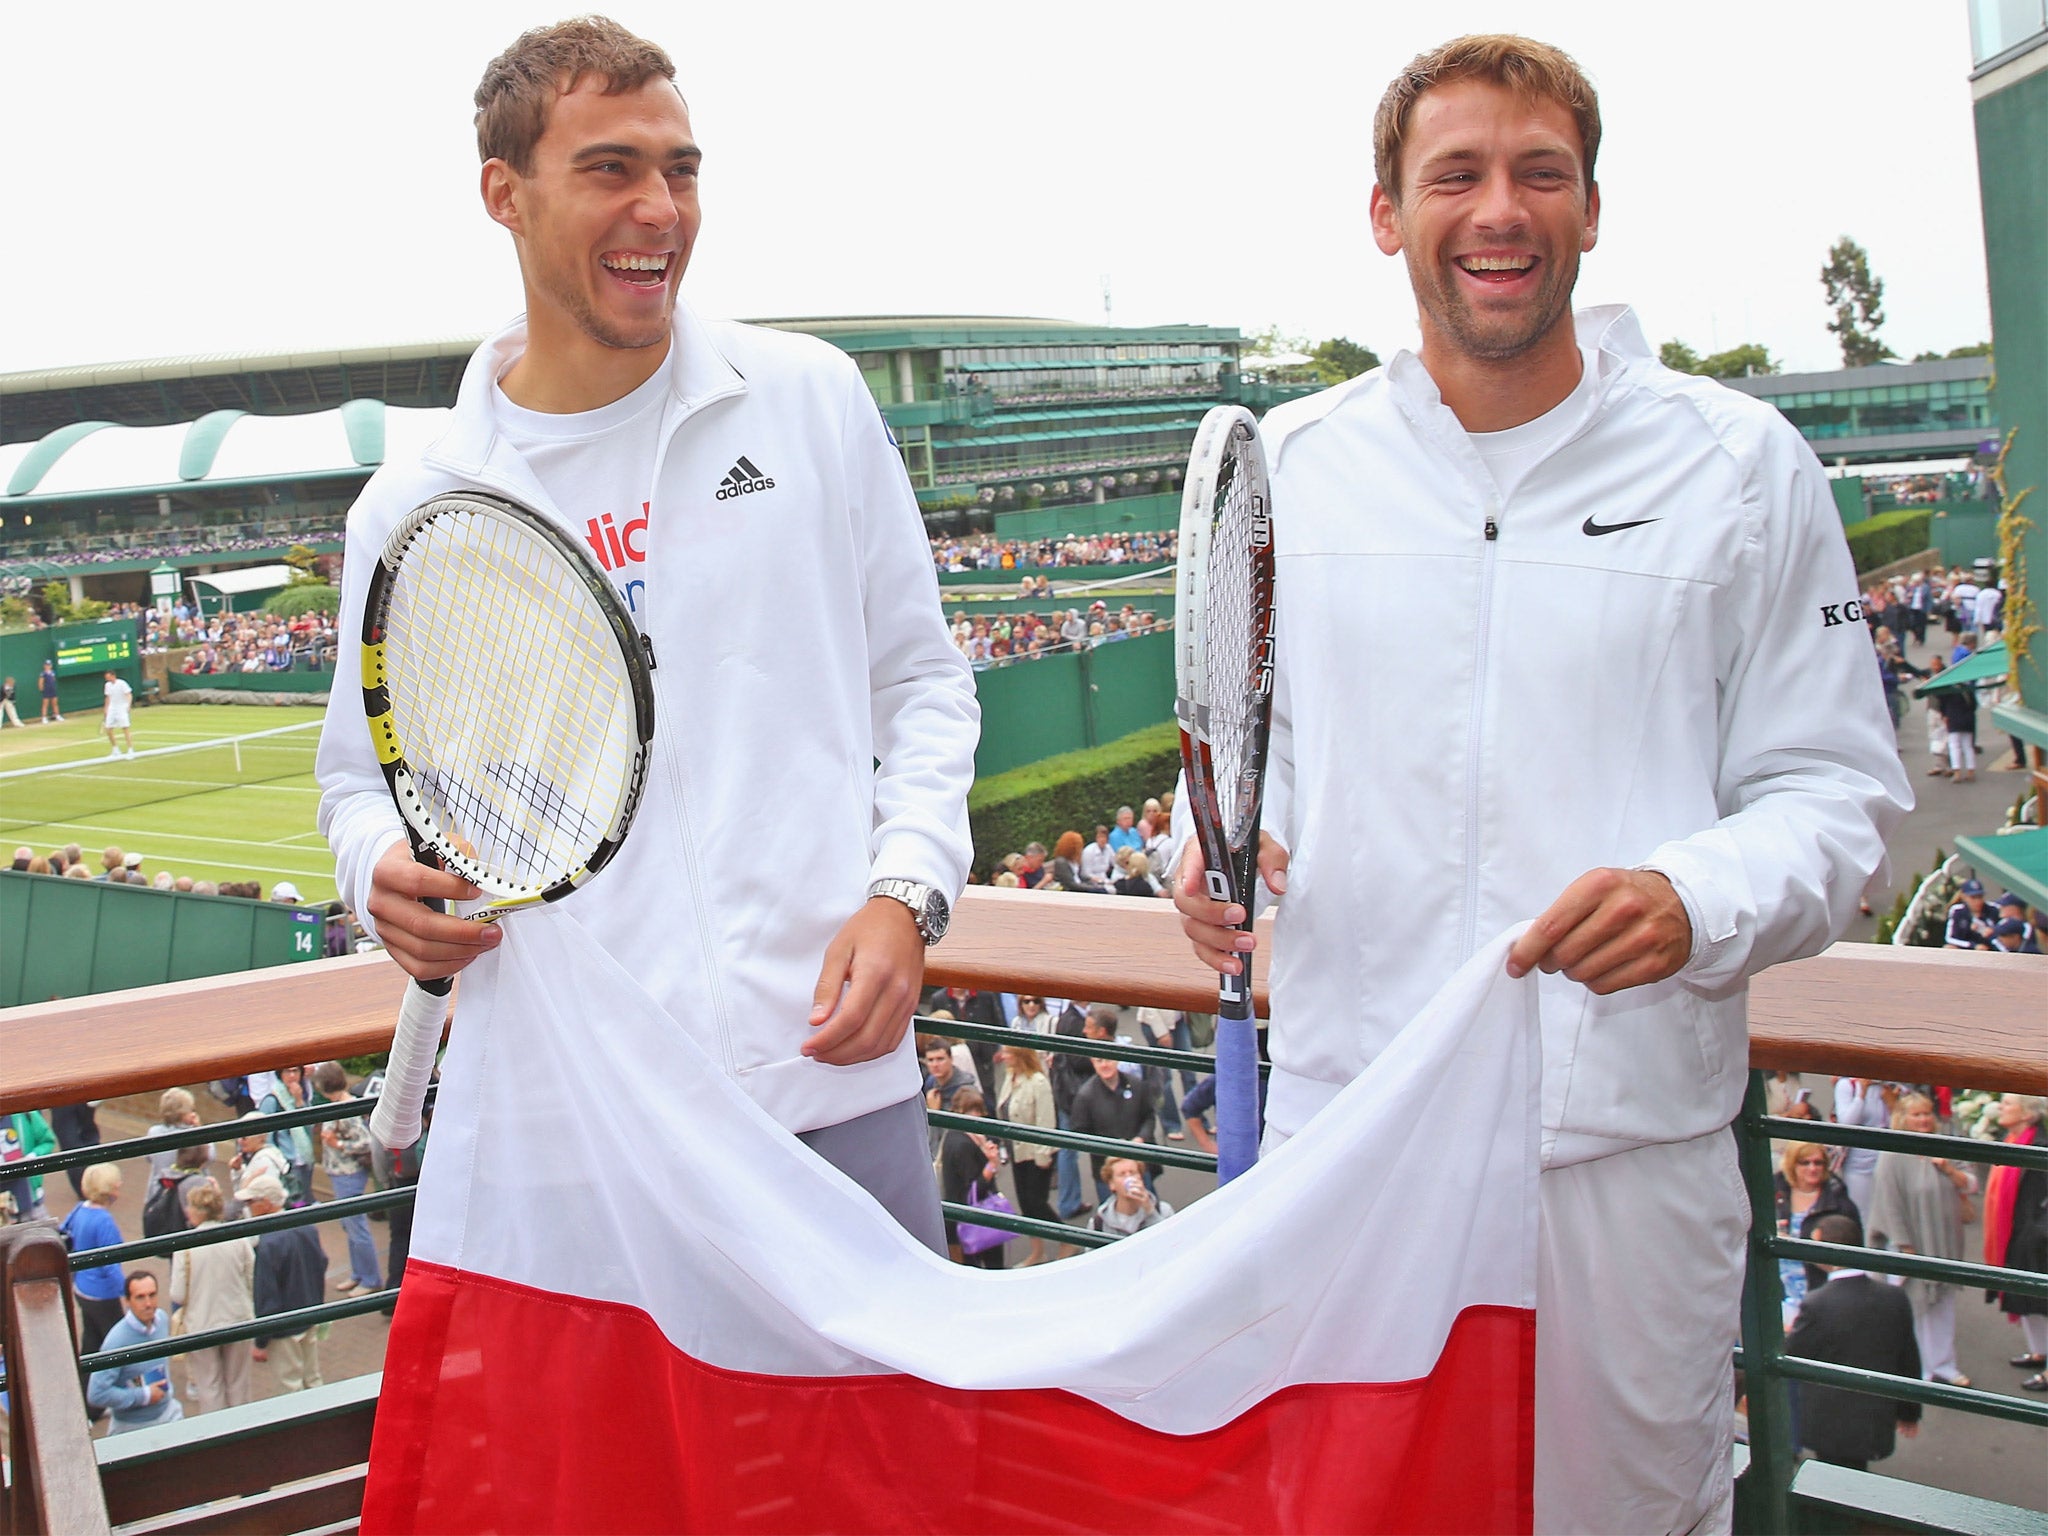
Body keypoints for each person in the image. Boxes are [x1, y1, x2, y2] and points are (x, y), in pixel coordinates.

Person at [1168, 35, 1909, 1530]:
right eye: (1457, 175)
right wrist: (1226, 853)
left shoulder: (1742, 464)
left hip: (1624, 1160)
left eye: (1538, 175)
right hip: (1347, 1143)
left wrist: (1693, 897)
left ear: (1588, 209)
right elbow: (1269, 757)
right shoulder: (1296, 465)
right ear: (1388, 214)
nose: (1499, 209)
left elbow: (1838, 796)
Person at [315, 17, 976, 1255]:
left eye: (680, 169)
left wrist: (906, 894)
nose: (660, 208)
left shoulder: (810, 400)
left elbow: (924, 682)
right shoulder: (410, 503)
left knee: (883, 1454)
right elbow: (359, 781)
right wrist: (376, 874)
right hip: (573, 1121)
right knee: (615, 1463)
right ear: (503, 196)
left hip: (825, 1081)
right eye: (610, 168)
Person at [1785, 1213, 1921, 1471]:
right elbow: (1908, 1358)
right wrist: (1909, 1412)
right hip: (1873, 1417)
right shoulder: (1893, 1298)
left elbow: (1792, 1352)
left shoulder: (1816, 1303)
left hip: (1827, 1421)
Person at [1868, 1093, 1977, 1388]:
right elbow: (1888, 1202)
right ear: (1903, 1118)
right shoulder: (1893, 1153)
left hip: (1944, 1242)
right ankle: (1917, 1371)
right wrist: (1905, 1245)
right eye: (1916, 1115)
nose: (1924, 1120)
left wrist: (1948, 1168)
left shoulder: (1946, 1147)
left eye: (1927, 1114)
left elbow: (1972, 1183)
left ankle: (1944, 1365)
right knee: (1914, 1307)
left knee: (1943, 1304)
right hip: (1910, 1245)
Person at [168, 1180, 257, 1413]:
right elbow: (250, 1276)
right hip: (238, 1317)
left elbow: (177, 1293)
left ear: (198, 1212)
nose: (186, 1210)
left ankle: (217, 1436)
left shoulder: (185, 1246)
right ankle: (244, 1430)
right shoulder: (238, 1238)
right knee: (238, 1383)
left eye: (189, 1206)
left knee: (209, 1385)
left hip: (201, 1323)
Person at [1982, 1094, 2047, 1392]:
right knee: (2028, 1302)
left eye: (2008, 1103)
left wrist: (2036, 1234)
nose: (2001, 1108)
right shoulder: (2013, 1139)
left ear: (2027, 1114)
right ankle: (2040, 1352)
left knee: (2041, 1303)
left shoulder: (2039, 1147)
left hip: (2035, 1238)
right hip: (2018, 1234)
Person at [240, 1172, 328, 1392]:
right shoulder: (306, 1227)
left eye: (252, 1201)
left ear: (266, 1204)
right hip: (310, 1313)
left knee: (289, 1385)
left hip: (284, 1328)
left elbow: (266, 1295)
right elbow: (321, 1264)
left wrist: (261, 1340)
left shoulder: (269, 1243)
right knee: (313, 1378)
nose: (249, 1207)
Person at [311, 1062, 382, 1295]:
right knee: (349, 1226)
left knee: (356, 1227)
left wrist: (337, 1144)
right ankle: (358, 1273)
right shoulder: (338, 1103)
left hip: (348, 1174)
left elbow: (365, 1141)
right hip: (338, 1172)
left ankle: (370, 1279)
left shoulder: (347, 1108)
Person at [86, 1272, 183, 1434]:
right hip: (132, 1427)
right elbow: (97, 1394)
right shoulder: (116, 1341)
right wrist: (143, 1395)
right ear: (127, 1301)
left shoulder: (162, 1319)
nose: (148, 1303)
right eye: (140, 1297)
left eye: (152, 1295)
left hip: (169, 1414)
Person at [994, 1044, 1059, 1265]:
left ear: (1020, 1055)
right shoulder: (1010, 1077)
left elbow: (1046, 1121)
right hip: (1016, 1151)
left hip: (1035, 1153)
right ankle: (1038, 1251)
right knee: (1026, 1204)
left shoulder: (1038, 1083)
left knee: (1036, 1201)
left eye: (1008, 1053)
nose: (1003, 1057)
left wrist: (1043, 1155)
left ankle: (1067, 1238)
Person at [1068, 1048, 1156, 1201]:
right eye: (1099, 1061)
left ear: (1117, 1060)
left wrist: (1141, 1138)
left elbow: (1149, 1116)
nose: (1104, 1065)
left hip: (1137, 1166)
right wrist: (1108, 1149)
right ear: (1092, 1063)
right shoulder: (1085, 1096)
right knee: (1112, 1218)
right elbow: (1079, 1133)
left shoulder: (1136, 1085)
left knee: (1149, 1211)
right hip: (1106, 1171)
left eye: (1108, 1060)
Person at [935, 1089, 1007, 1271]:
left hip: (961, 1220)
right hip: (976, 1218)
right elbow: (974, 1188)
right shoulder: (964, 1145)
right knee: (993, 1266)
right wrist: (991, 1164)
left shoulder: (954, 1135)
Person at [1833, 1078, 1891, 1218]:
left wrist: (1892, 1103)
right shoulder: (1847, 1085)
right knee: (1862, 1213)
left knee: (1887, 1213)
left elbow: (1897, 1125)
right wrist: (1861, 1094)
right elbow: (1847, 1122)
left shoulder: (1888, 1087)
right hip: (1858, 1164)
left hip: (1885, 1160)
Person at [1090, 1155, 1173, 1237]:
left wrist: (1150, 1212)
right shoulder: (1098, 1223)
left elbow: (1173, 1242)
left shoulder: (1163, 1211)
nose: (1129, 1178)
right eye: (1122, 1174)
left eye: (1133, 1173)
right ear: (1111, 1184)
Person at [1945, 879, 1998, 950]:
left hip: (1990, 948)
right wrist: (1973, 946)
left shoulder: (1993, 909)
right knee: (1949, 948)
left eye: (1980, 897)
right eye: (1973, 897)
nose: (1977, 901)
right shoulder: (1957, 911)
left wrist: (1993, 931)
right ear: (1964, 897)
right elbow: (1950, 938)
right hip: (1966, 948)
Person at [101, 669, 134, 758]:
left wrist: (128, 705)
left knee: (125, 728)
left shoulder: (122, 683)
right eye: (106, 678)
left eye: (108, 677)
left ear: (113, 675)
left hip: (122, 707)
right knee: (108, 729)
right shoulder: (107, 685)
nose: (107, 679)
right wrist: (106, 708)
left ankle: (130, 750)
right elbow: (108, 697)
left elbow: (129, 694)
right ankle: (115, 750)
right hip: (112, 708)